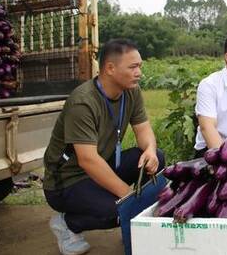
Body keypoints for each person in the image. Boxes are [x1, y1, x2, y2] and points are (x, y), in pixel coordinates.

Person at [43, 39, 164, 255]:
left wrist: (150, 151)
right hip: (68, 181)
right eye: (133, 67)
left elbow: (143, 129)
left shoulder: (131, 91)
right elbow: (87, 160)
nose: (139, 73)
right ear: (110, 68)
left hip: (104, 163)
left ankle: (134, 218)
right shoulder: (83, 101)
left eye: (140, 66)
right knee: (117, 211)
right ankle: (68, 223)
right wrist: (128, 199)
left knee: (158, 159)